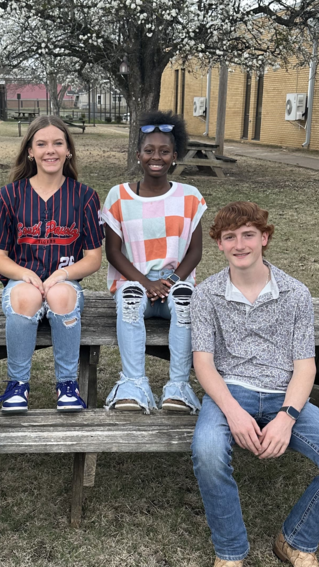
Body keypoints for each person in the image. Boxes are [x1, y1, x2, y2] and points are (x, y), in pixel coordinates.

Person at [189, 202, 319, 567]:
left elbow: (305, 367)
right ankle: (230, 552)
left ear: (264, 238)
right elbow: (203, 363)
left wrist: (286, 417)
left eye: (248, 235)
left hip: (283, 395)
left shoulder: (295, 294)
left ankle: (295, 540)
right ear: (219, 244)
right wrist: (233, 413)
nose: (240, 245)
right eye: (230, 237)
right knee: (207, 451)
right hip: (229, 393)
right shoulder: (206, 294)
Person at [0, 116, 103, 413]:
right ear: (30, 151)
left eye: (58, 143)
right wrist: (25, 274)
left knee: (60, 293)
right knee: (27, 294)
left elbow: (93, 258)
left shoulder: (86, 196)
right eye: (41, 144)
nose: (50, 150)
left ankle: (67, 385)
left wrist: (62, 274)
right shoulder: (9, 195)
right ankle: (17, 384)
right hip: (22, 283)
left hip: (65, 283)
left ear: (68, 150)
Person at [102, 110, 207, 413]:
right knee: (130, 300)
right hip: (134, 283)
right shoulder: (118, 196)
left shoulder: (190, 197)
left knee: (185, 302)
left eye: (164, 151)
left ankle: (178, 388)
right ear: (138, 155)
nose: (156, 157)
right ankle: (133, 384)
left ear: (175, 156)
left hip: (175, 283)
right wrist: (146, 283)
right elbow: (113, 252)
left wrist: (170, 281)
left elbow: (195, 252)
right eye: (149, 150)